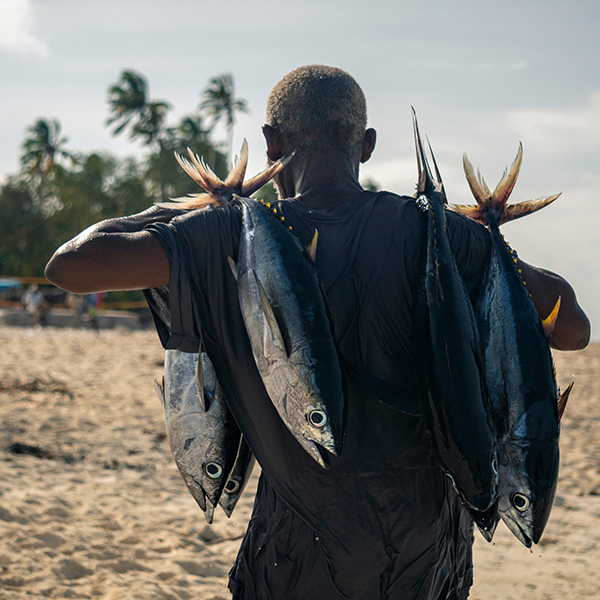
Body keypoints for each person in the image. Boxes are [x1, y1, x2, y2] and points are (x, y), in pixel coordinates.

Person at [45, 65, 590, 600]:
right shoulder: (437, 233)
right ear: (368, 144)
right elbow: (573, 329)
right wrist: (490, 248)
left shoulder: (224, 235)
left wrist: (181, 212)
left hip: (293, 560)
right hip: (429, 564)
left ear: (270, 141)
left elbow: (71, 267)